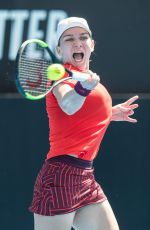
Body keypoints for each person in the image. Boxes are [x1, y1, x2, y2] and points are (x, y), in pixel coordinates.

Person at [29, 17, 139, 230]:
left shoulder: (87, 78)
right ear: (59, 50)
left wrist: (111, 114)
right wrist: (83, 89)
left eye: (83, 37)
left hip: (85, 177)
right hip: (60, 177)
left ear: (92, 45)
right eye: (69, 39)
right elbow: (69, 105)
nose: (77, 42)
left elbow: (81, 117)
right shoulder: (59, 75)